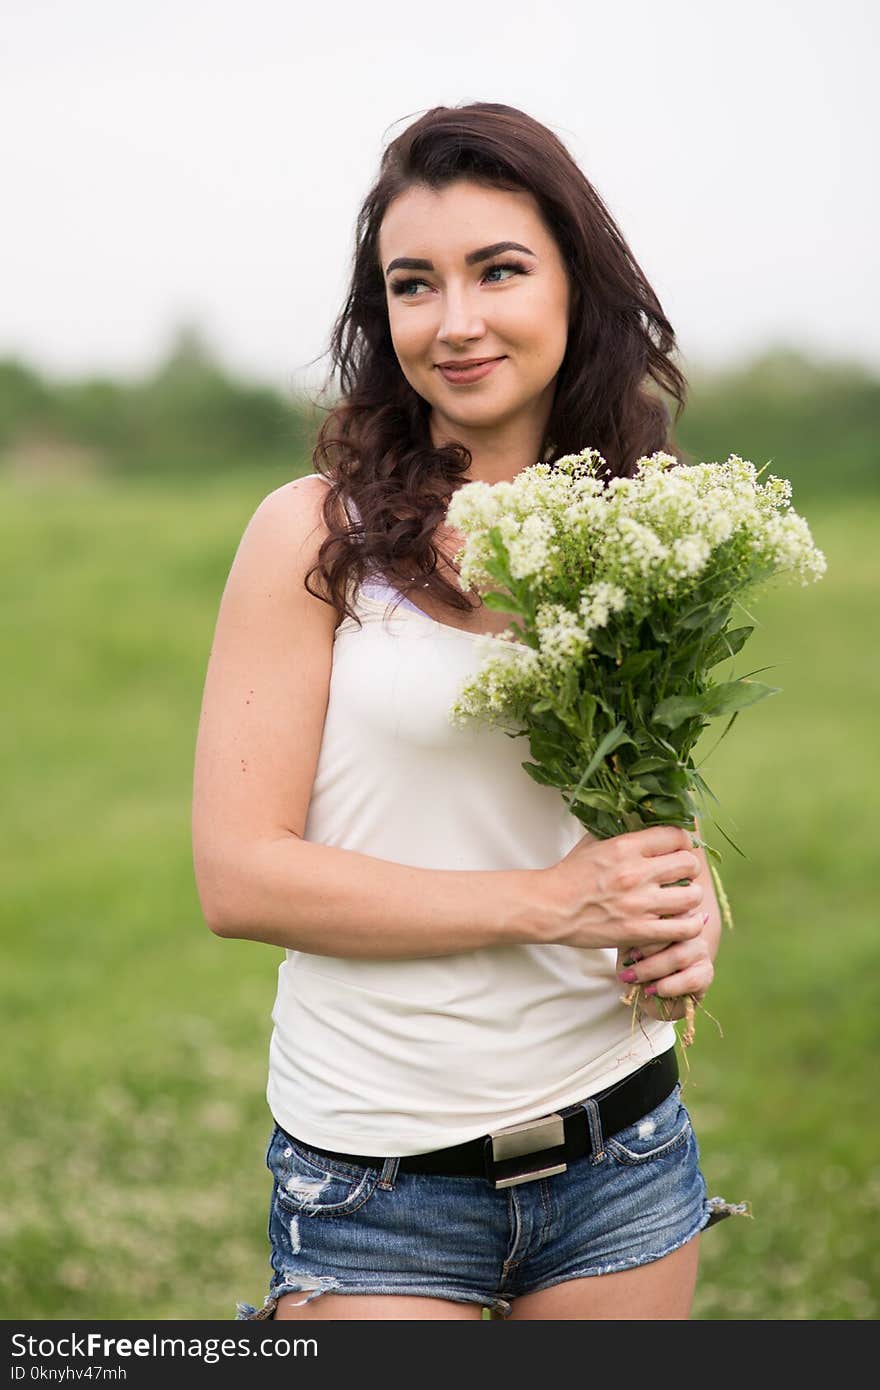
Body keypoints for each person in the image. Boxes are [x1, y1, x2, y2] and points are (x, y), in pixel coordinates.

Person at [191, 101, 747, 1323]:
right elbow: (238, 876)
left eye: (498, 270)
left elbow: (624, 806)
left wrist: (687, 901)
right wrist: (553, 905)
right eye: (412, 284)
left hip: (623, 1153)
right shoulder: (313, 534)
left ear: (573, 284)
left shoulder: (651, 526)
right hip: (379, 1178)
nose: (455, 321)